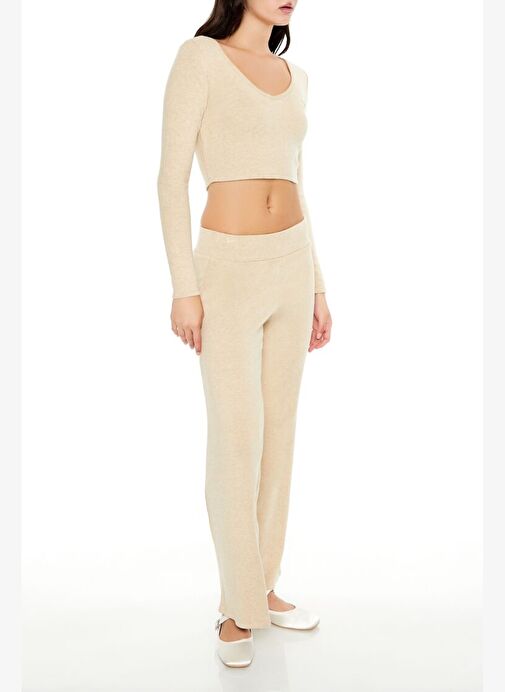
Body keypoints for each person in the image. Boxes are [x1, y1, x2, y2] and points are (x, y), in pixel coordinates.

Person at [157, 0, 332, 668]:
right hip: (226, 271)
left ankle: (261, 585)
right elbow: (170, 179)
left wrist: (317, 286)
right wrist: (185, 286)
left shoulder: (296, 77)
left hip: (292, 262)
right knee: (237, 439)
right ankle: (236, 606)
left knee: (279, 436)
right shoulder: (199, 58)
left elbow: (298, 182)